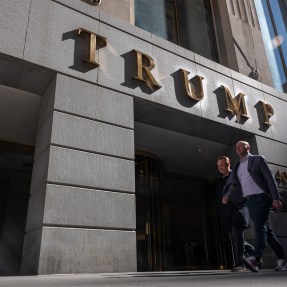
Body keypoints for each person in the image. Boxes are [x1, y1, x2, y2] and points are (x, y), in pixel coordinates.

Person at [222, 140, 287, 272]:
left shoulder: (257, 160)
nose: (238, 147)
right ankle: (282, 258)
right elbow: (234, 184)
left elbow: (270, 179)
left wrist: (275, 198)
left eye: (241, 145)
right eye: (236, 146)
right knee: (267, 232)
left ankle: (255, 258)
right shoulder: (238, 166)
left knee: (259, 227)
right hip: (249, 201)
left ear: (248, 147)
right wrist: (227, 195)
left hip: (261, 197)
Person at [216, 156, 254, 272]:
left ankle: (240, 264)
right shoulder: (218, 181)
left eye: (222, 165)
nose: (220, 168)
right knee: (235, 239)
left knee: (237, 237)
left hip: (238, 210)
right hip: (226, 214)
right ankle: (256, 254)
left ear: (228, 164)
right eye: (218, 166)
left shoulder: (237, 175)